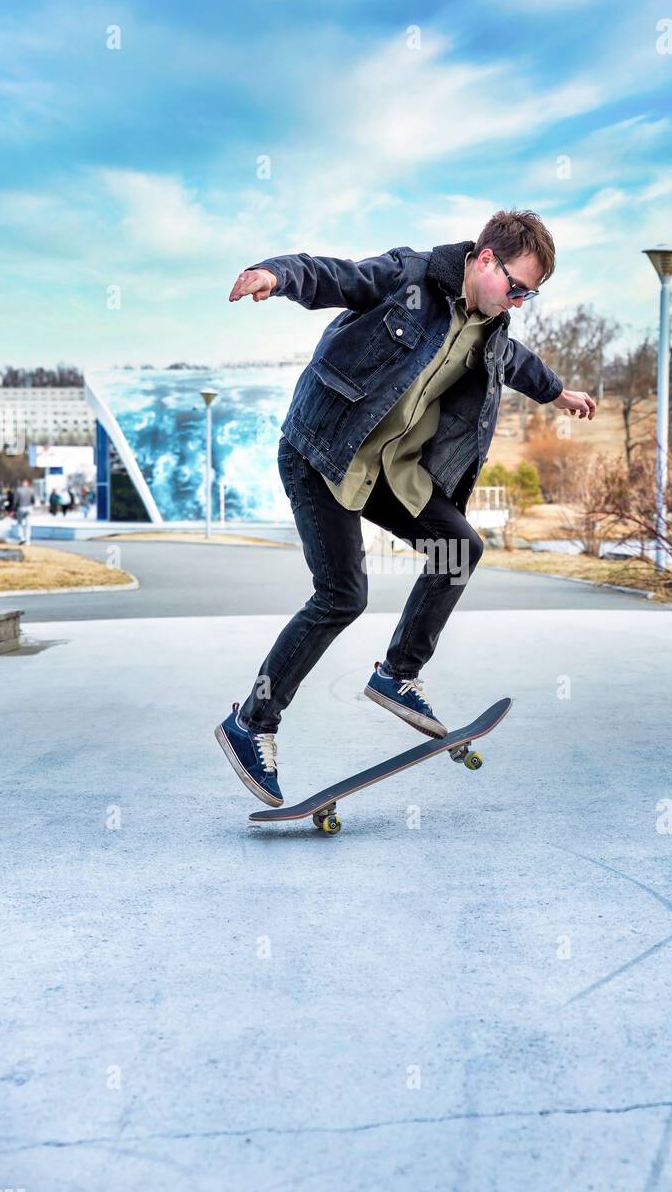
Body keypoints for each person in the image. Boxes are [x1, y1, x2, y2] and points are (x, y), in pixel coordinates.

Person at [215, 209, 596, 807]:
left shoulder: (491, 328)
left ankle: (397, 673)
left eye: (531, 294)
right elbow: (338, 275)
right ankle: (253, 723)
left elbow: (516, 362)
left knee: (460, 548)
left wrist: (559, 393)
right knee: (342, 594)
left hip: (390, 471)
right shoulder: (409, 276)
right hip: (322, 450)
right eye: (516, 287)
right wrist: (276, 274)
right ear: (485, 259)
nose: (519, 301)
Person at [15, 479, 34, 545]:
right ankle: (28, 540)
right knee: (28, 524)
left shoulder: (18, 490)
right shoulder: (31, 490)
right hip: (29, 508)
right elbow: (33, 500)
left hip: (21, 507)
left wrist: (13, 508)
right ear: (27, 484)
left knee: (20, 523)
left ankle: (22, 538)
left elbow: (15, 500)